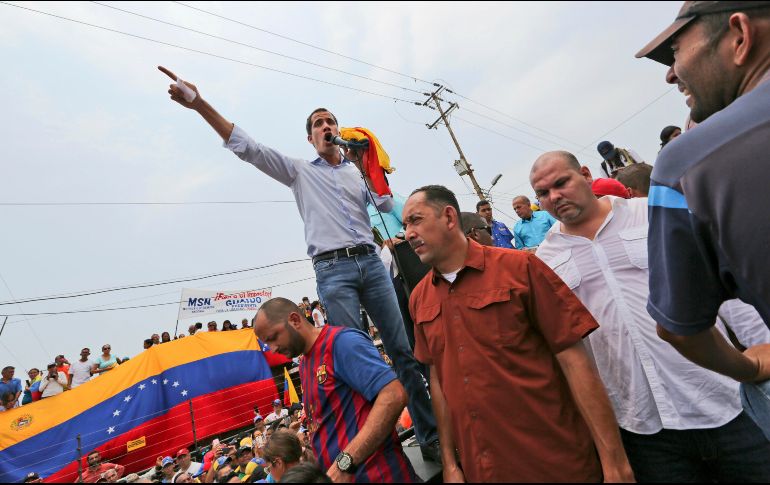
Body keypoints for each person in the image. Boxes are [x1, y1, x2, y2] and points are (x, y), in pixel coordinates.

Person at [160, 66, 438, 460]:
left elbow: (387, 205)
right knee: (352, 357)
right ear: (310, 138)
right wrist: (199, 104)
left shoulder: (357, 174)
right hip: (333, 271)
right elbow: (248, 148)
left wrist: (369, 166)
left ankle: (430, 437)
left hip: (372, 265)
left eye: (331, 121)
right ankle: (376, 452)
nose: (326, 126)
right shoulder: (299, 172)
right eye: (318, 124)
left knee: (404, 351)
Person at [533, 150, 770, 482]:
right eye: (543, 193)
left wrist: (763, 347)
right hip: (643, 428)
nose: (554, 197)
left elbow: (720, 285)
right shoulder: (546, 258)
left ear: (586, 174)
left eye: (561, 183)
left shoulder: (652, 214)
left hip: (725, 403)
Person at [402, 185, 633, 482]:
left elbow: (575, 362)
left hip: (557, 464)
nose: (408, 233)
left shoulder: (519, 269)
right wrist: (450, 464)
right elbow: (439, 381)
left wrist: (614, 461)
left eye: (416, 220)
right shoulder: (420, 300)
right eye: (406, 224)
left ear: (448, 217)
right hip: (485, 470)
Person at [635, 1, 770, 382]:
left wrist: (750, 366)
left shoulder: (687, 166)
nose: (671, 74)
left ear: (740, 35)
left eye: (675, 51)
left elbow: (678, 327)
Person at [253, 298, 417, 482]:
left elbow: (394, 395)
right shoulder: (305, 364)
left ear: (295, 320)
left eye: (273, 337)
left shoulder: (341, 342)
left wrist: (344, 464)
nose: (273, 349)